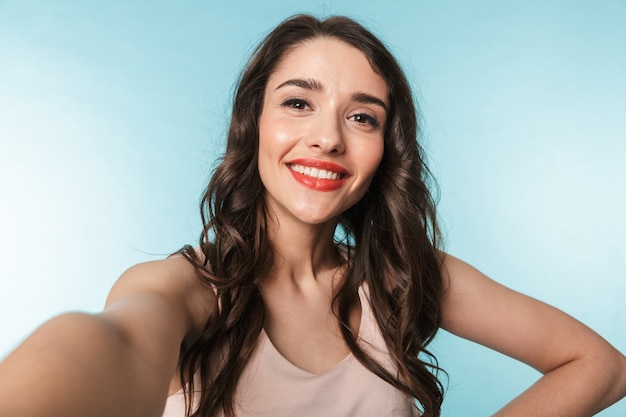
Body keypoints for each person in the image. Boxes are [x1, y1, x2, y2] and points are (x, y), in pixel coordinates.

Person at [0, 14, 625, 417]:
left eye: (362, 116)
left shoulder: (403, 277)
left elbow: (600, 364)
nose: (327, 138)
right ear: (255, 125)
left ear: (387, 149)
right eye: (299, 102)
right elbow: (113, 344)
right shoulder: (187, 289)